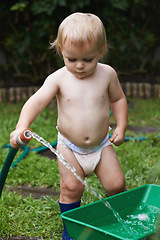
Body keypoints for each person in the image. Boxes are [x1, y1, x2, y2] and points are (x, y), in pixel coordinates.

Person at [10, 12, 128, 240]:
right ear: (61, 51)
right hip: (69, 148)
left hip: (101, 145)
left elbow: (118, 99)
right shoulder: (58, 79)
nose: (80, 66)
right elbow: (36, 102)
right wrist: (21, 126)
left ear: (101, 51)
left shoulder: (107, 75)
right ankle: (71, 231)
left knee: (116, 184)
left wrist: (121, 126)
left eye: (88, 59)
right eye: (72, 59)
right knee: (72, 188)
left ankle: (117, 221)